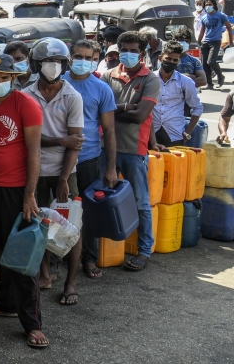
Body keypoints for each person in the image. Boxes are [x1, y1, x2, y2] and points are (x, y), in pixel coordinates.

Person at [0, 55, 46, 349]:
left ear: (13, 79)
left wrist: (29, 195)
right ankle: (5, 304)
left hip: (18, 191)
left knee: (22, 260)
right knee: (2, 251)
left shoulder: (26, 105)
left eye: (4, 77)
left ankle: (33, 324)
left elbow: (34, 152)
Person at [23, 39, 84, 305]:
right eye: (48, 62)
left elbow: (76, 143)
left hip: (64, 171)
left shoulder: (72, 97)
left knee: (71, 228)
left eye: (58, 62)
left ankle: (70, 283)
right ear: (37, 65)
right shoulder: (26, 95)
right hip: (34, 169)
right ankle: (45, 274)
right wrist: (59, 140)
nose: (52, 67)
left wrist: (63, 179)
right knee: (39, 224)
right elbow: (29, 141)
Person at [102, 31, 161, 272]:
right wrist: (127, 106)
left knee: (140, 202)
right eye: (123, 49)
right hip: (105, 148)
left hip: (134, 150)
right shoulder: (108, 75)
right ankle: (102, 247)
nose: (126, 54)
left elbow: (141, 116)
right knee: (102, 197)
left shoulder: (150, 79)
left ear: (143, 53)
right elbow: (99, 111)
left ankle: (145, 250)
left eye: (132, 50)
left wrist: (112, 111)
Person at [67, 39, 118, 280]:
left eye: (88, 57)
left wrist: (110, 168)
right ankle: (55, 259)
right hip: (57, 159)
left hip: (88, 159)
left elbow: (109, 131)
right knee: (57, 210)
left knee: (88, 213)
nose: (83, 61)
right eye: (79, 56)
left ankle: (88, 258)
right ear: (70, 57)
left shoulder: (101, 89)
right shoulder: (58, 83)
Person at [152, 41, 203, 148]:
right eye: (168, 59)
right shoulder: (150, 79)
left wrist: (187, 133)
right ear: (160, 58)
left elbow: (197, 108)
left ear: (179, 61)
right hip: (151, 133)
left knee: (174, 164)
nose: (171, 62)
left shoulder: (186, 82)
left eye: (175, 60)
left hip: (174, 134)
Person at [197, 0, 232, 89]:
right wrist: (198, 42)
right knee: (205, 64)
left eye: (210, 4)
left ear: (214, 5)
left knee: (211, 61)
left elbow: (229, 28)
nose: (208, 6)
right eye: (207, 5)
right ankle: (209, 84)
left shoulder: (221, 16)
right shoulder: (204, 17)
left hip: (215, 42)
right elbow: (202, 31)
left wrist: (231, 42)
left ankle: (220, 77)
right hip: (205, 42)